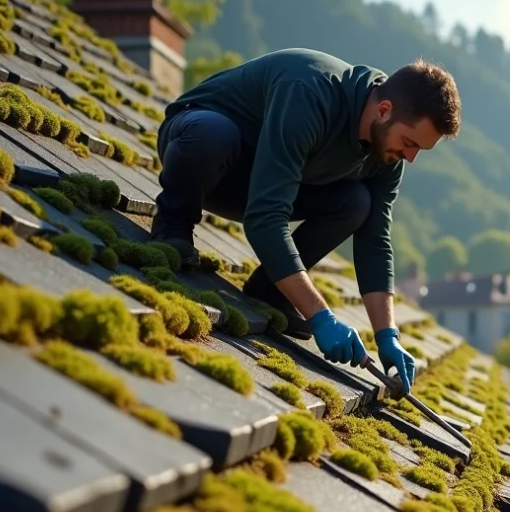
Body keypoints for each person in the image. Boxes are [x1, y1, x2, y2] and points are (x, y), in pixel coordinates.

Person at [150, 48, 461, 395]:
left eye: (419, 149)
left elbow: (375, 238)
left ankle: (269, 288)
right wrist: (320, 315)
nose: (410, 157)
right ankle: (172, 223)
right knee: (213, 134)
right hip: (197, 150)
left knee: (358, 203)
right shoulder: (310, 91)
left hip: (260, 184)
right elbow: (265, 216)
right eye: (409, 143)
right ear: (384, 111)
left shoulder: (387, 150)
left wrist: (387, 334)